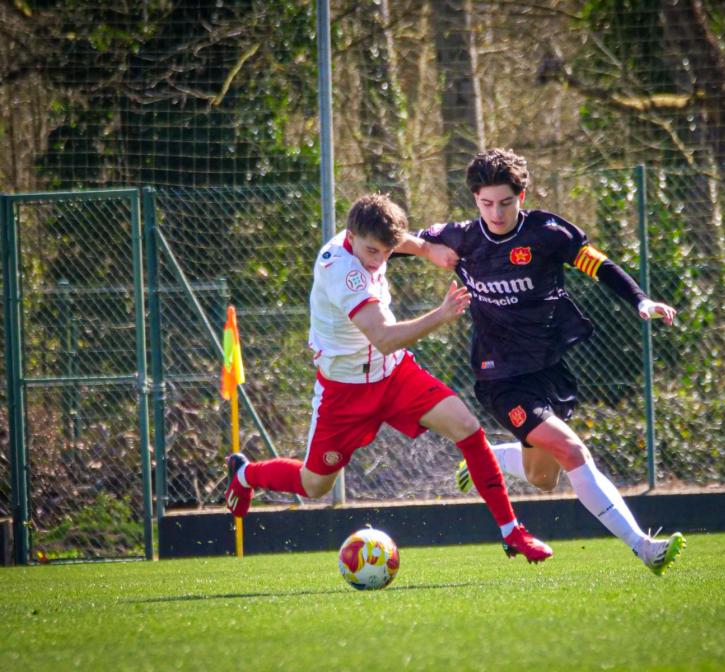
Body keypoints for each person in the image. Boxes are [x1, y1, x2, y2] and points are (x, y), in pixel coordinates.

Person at [224, 193, 553, 563]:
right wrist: (441, 315)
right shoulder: (343, 272)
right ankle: (246, 474)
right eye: (372, 251)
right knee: (313, 484)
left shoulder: (373, 240)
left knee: (467, 427)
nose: (378, 260)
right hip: (345, 391)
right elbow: (383, 338)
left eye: (386, 252)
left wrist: (427, 249)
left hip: (394, 374)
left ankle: (512, 532)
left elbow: (399, 242)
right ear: (350, 236)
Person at [417, 148, 685, 575]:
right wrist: (421, 249)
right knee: (571, 450)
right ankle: (644, 546)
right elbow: (387, 239)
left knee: (543, 477)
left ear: (522, 196)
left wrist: (641, 300)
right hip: (501, 379)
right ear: (475, 200)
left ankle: (486, 457)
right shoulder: (461, 237)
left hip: (547, 369)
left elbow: (599, 264)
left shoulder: (546, 232)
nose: (496, 213)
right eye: (486, 203)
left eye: (506, 202)